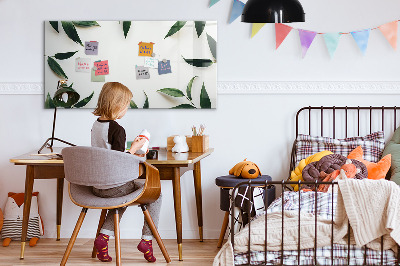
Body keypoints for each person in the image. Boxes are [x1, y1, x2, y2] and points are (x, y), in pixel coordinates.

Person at [91, 82, 161, 263]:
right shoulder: (117, 129)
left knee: (121, 197)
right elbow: (119, 161)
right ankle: (147, 240)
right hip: (114, 186)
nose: (127, 109)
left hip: (97, 186)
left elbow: (108, 154)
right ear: (117, 104)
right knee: (156, 194)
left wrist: (130, 149)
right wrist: (136, 148)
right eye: (127, 105)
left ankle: (103, 238)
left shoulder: (96, 125)